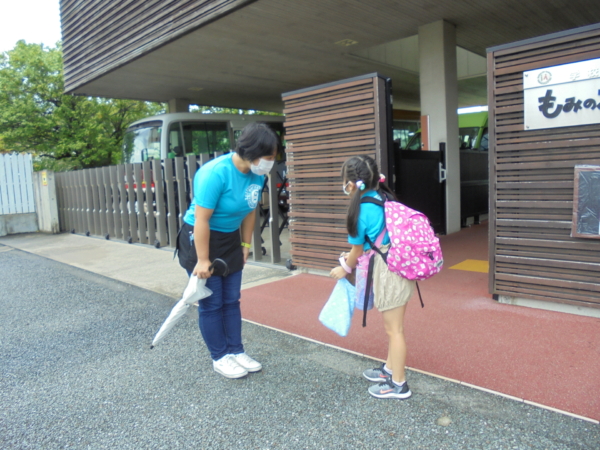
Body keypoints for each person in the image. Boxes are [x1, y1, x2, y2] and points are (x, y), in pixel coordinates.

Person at [177, 122, 279, 379]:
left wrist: (245, 245)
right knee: (212, 303)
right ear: (253, 153)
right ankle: (220, 356)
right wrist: (202, 260)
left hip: (230, 238)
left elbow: (249, 210)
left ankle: (236, 350)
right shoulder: (216, 173)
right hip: (202, 238)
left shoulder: (257, 174)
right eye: (269, 157)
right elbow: (201, 220)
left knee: (231, 299)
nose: (271, 162)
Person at [330, 155, 415, 399]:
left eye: (344, 180)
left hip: (389, 271)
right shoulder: (383, 198)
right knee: (394, 327)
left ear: (350, 184)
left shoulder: (358, 212)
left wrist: (344, 268)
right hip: (398, 264)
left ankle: (399, 385)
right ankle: (390, 369)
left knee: (394, 330)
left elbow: (357, 251)